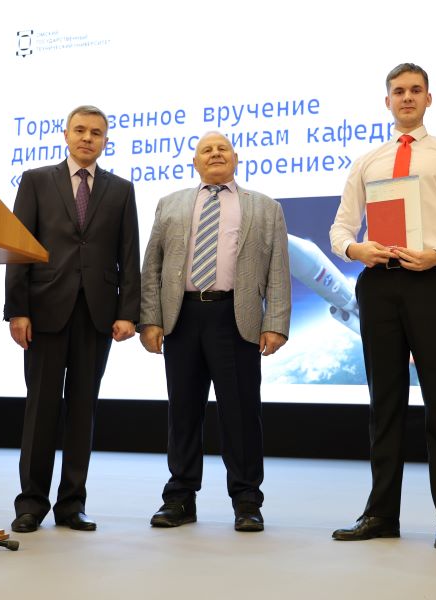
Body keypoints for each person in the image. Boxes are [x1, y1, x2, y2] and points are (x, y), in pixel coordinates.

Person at [329, 64, 436, 549]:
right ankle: (381, 514)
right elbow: (341, 228)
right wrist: (354, 249)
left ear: (428, 98)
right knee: (384, 403)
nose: (406, 97)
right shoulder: (368, 161)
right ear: (387, 102)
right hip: (378, 285)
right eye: (398, 91)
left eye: (415, 90)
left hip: (432, 282)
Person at [139, 131, 291, 532]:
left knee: (241, 413)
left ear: (235, 158)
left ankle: (247, 501)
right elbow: (152, 265)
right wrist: (150, 318)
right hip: (182, 317)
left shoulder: (265, 207)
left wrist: (276, 323)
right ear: (195, 162)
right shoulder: (170, 204)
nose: (215, 153)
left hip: (235, 317)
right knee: (183, 412)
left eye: (223, 148)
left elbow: (278, 269)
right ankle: (179, 498)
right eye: (206, 149)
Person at [4, 105, 141, 533]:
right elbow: (19, 247)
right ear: (65, 135)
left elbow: (129, 254)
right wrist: (17, 309)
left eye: (96, 133)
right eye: (80, 130)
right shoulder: (36, 180)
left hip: (97, 314)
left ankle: (71, 504)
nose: (87, 138)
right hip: (44, 311)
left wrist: (128, 313)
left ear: (105, 141)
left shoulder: (121, 190)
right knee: (41, 410)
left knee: (83, 411)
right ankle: (30, 504)